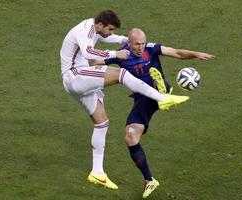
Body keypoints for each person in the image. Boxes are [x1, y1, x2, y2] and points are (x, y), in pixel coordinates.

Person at [60, 11, 190, 190]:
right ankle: (162, 97)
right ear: (99, 25)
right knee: (121, 74)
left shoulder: (95, 29)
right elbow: (88, 52)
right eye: (109, 29)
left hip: (81, 81)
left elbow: (108, 38)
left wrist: (124, 40)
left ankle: (97, 172)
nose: (110, 33)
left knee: (102, 123)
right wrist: (116, 54)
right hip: (75, 75)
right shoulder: (86, 30)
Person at [91, 28, 215, 198]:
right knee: (130, 136)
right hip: (142, 99)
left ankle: (161, 92)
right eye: (137, 44)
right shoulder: (121, 54)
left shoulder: (151, 48)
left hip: (154, 92)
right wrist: (82, 64)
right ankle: (149, 180)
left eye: (142, 43)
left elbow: (176, 53)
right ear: (129, 42)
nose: (141, 47)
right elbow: (95, 62)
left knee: (155, 88)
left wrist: (195, 54)